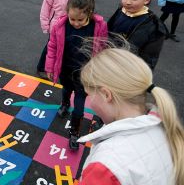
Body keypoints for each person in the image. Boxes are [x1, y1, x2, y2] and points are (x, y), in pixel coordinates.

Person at [78, 48, 184, 185]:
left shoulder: (106, 165)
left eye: (89, 95)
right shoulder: (165, 126)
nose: (89, 102)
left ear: (106, 94)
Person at [45, 0, 108, 150]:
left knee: (79, 101)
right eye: (72, 19)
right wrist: (50, 67)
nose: (76, 23)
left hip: (84, 74)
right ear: (67, 13)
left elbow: (103, 48)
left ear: (90, 13)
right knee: (66, 88)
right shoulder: (60, 25)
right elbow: (52, 46)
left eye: (81, 20)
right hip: (65, 68)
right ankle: (65, 103)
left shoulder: (99, 26)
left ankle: (74, 132)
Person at [108, 0, 167, 70]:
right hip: (110, 61)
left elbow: (149, 59)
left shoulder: (153, 26)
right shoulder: (120, 11)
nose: (128, 2)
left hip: (129, 69)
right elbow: (107, 32)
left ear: (147, 0)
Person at [37, 0, 79, 79]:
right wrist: (46, 27)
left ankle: (59, 67)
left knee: (65, 46)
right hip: (55, 26)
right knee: (50, 47)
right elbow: (45, 10)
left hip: (70, 24)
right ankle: (41, 68)